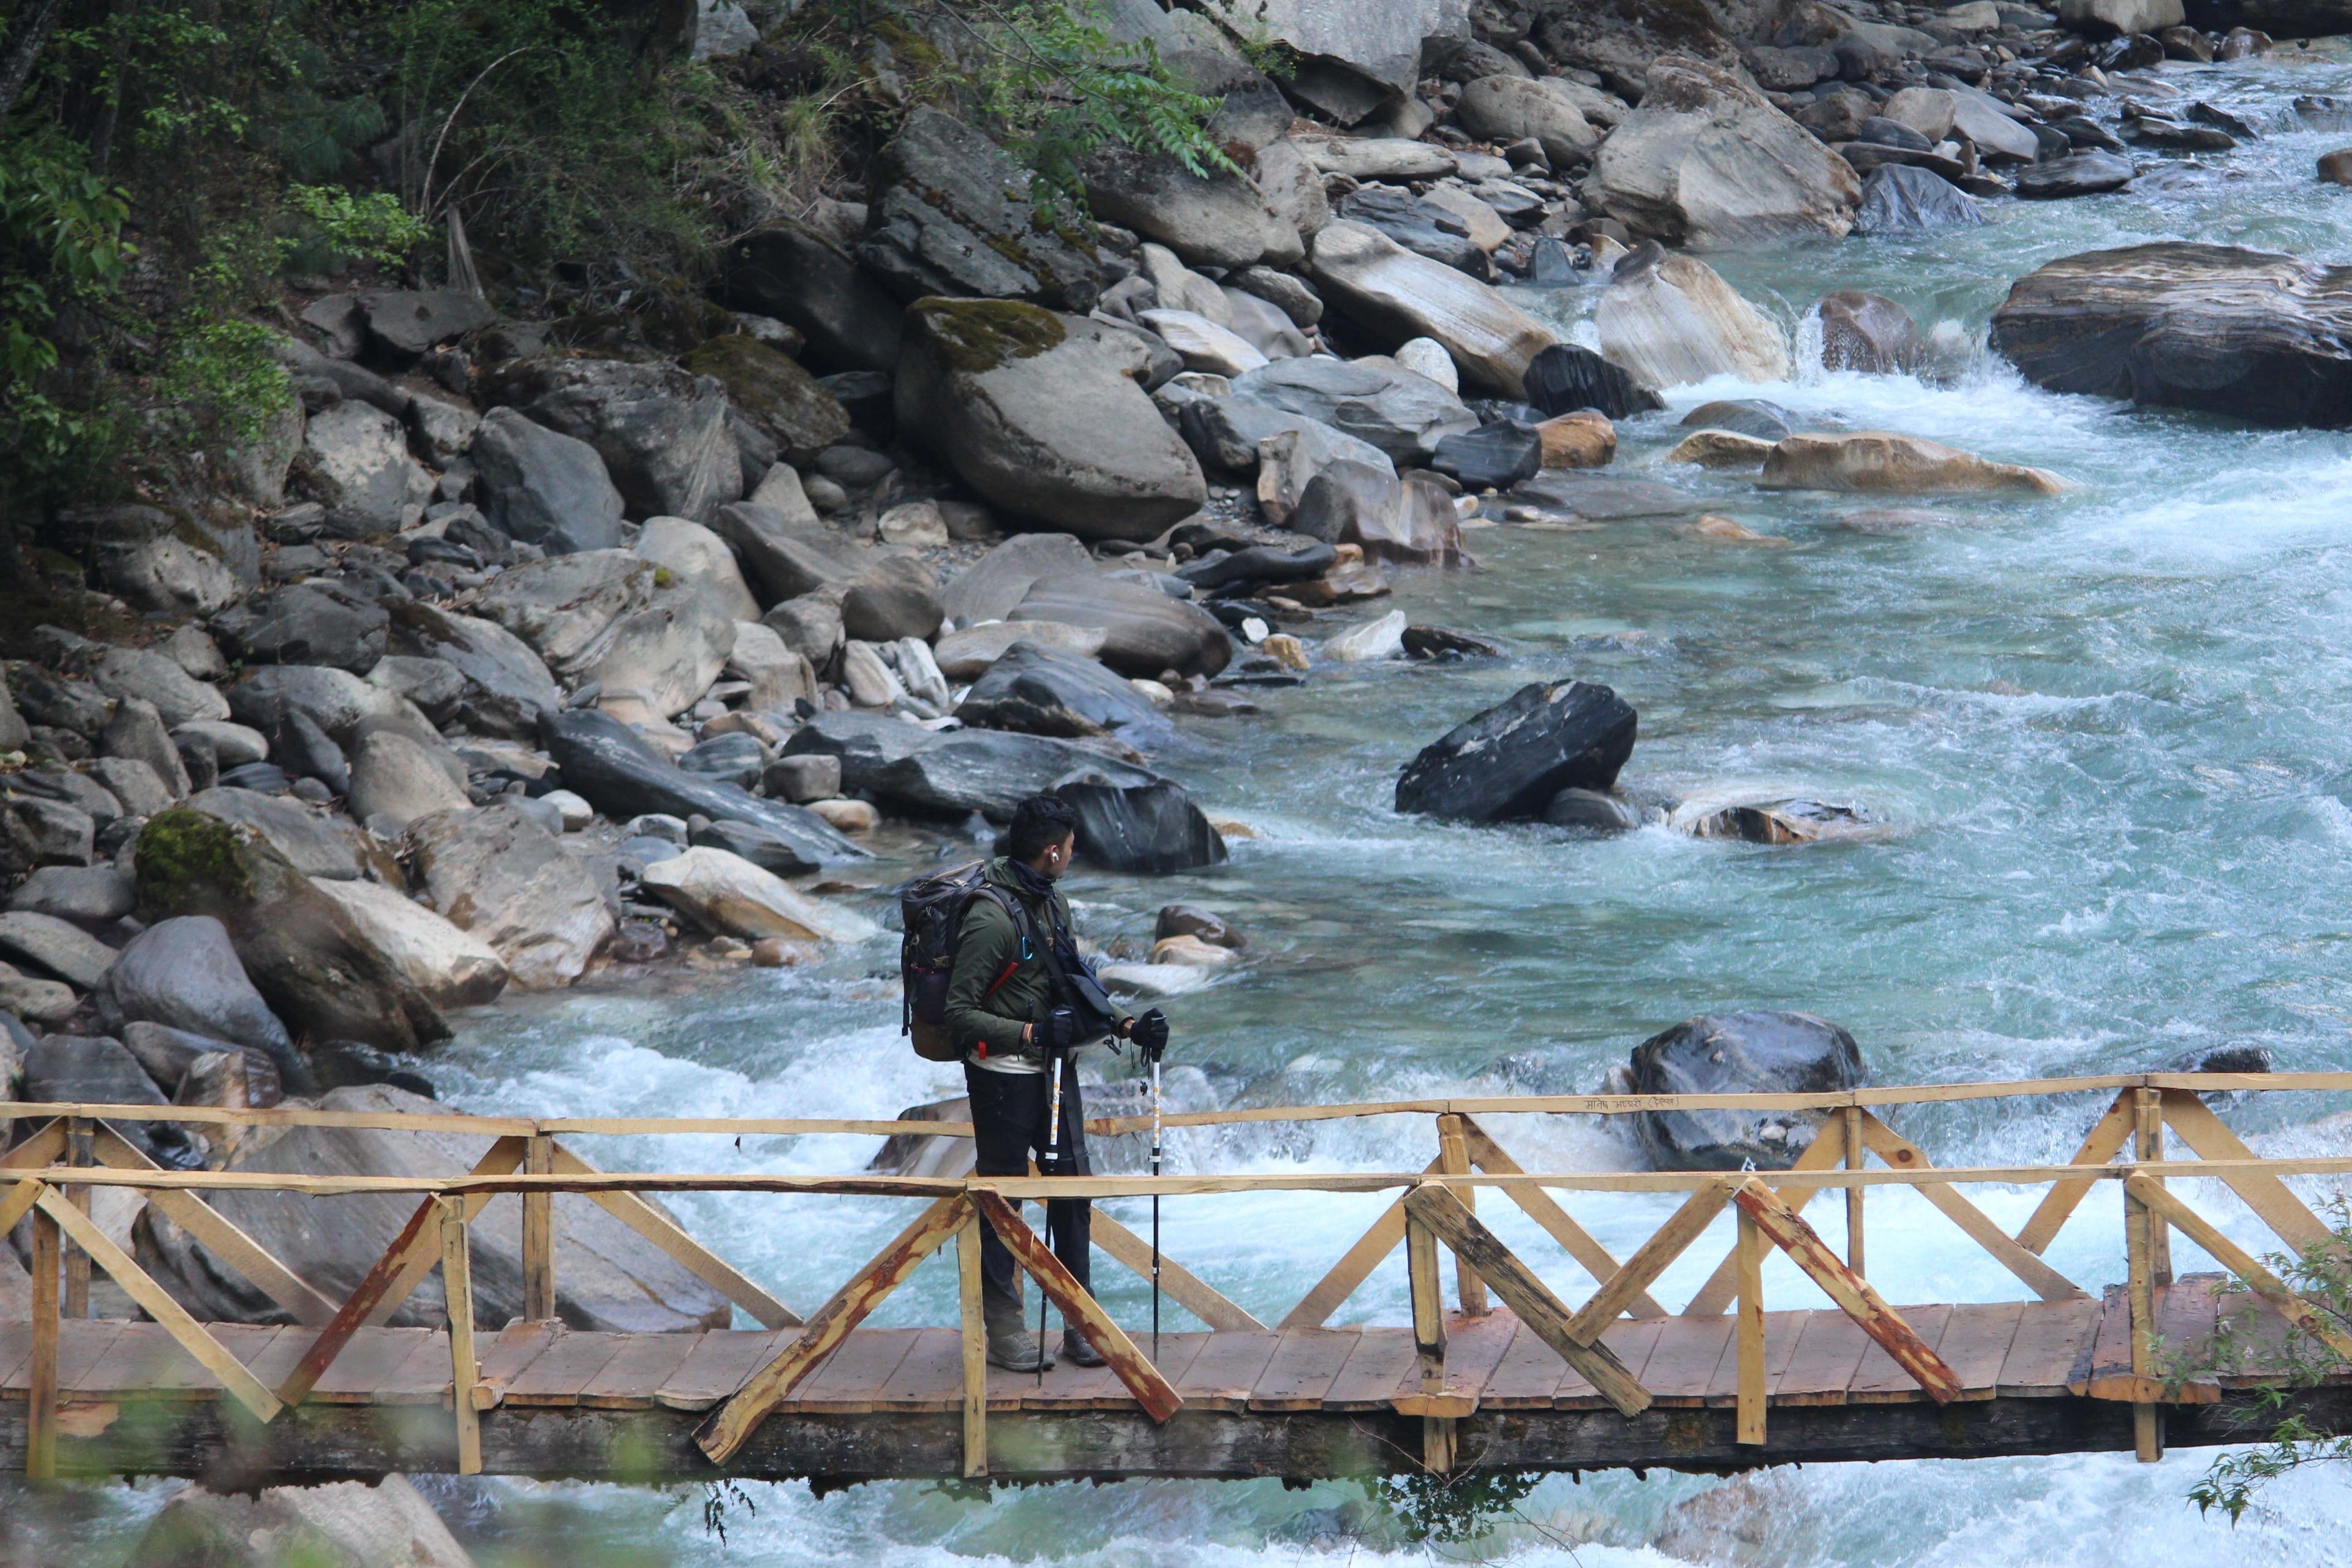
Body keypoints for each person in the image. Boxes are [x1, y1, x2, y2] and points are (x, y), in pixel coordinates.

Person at [942, 794, 1166, 1372]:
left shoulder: (1051, 902)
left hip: (1057, 1077)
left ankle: (1079, 1322)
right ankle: (1008, 1331)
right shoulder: (991, 918)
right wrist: (1033, 1031)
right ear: (1051, 851)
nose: (1071, 855)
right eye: (1069, 847)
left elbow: (1071, 979)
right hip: (1002, 1080)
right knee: (1003, 1201)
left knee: (1073, 1198)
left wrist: (1126, 1024)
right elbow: (958, 1015)